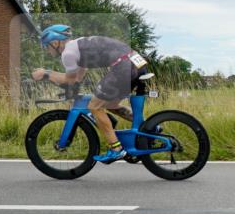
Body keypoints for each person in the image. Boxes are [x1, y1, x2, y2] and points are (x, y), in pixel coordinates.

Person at [32, 24, 148, 163]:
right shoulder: (78, 46)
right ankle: (150, 128)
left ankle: (116, 149)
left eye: (46, 46)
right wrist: (73, 89)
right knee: (110, 104)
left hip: (124, 65)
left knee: (94, 106)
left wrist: (46, 73)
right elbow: (79, 75)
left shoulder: (67, 54)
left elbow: (69, 79)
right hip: (137, 61)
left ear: (55, 42)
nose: (46, 50)